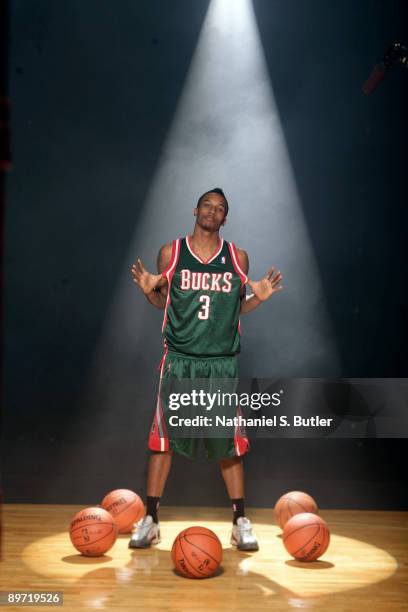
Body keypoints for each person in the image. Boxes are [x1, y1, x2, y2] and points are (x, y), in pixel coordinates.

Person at [129, 188, 283, 551]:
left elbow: (237, 308)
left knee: (229, 444)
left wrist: (258, 297)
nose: (212, 211)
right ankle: (151, 519)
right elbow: (162, 302)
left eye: (220, 209)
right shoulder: (172, 252)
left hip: (220, 363)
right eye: (207, 205)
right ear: (195, 210)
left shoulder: (237, 257)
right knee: (163, 443)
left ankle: (239, 521)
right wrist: (148, 290)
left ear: (225, 218)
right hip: (180, 359)